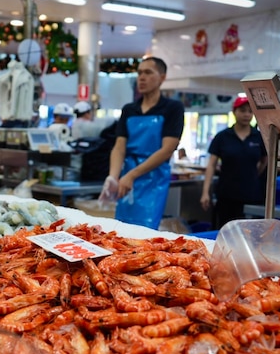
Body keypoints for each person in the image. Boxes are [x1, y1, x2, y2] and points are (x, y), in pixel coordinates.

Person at [104, 57, 184, 229]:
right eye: (139, 73)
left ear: (162, 77)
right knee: (121, 229)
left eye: (148, 72)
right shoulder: (129, 109)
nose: (141, 77)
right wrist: (113, 176)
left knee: (145, 232)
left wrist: (132, 175)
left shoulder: (173, 108)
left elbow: (167, 149)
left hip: (153, 178)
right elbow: (119, 147)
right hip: (126, 177)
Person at [200, 96, 268, 229]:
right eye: (242, 110)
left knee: (249, 234)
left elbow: (264, 160)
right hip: (226, 195)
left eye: (250, 111)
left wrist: (253, 174)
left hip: (251, 195)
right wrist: (205, 192)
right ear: (234, 112)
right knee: (224, 232)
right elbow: (211, 165)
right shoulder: (223, 137)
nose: (247, 114)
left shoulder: (259, 137)